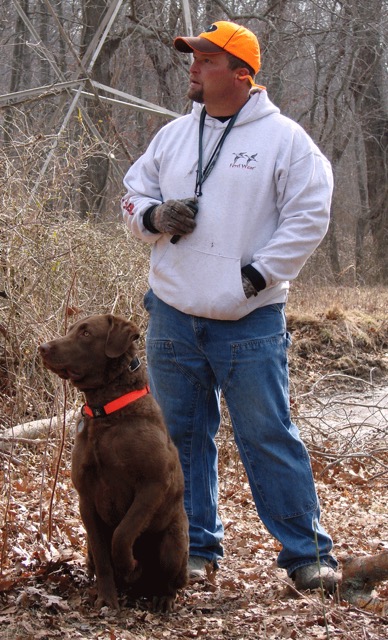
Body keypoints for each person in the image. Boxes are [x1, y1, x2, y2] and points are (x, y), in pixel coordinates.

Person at [121, 20, 339, 592]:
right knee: (182, 439)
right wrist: (154, 217)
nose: (192, 68)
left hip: (250, 318)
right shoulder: (172, 136)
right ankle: (193, 548)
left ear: (241, 74)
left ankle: (307, 555)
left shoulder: (286, 140)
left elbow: (310, 214)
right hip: (171, 312)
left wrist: (256, 275)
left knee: (267, 434)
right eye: (192, 58)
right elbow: (132, 191)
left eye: (205, 60)